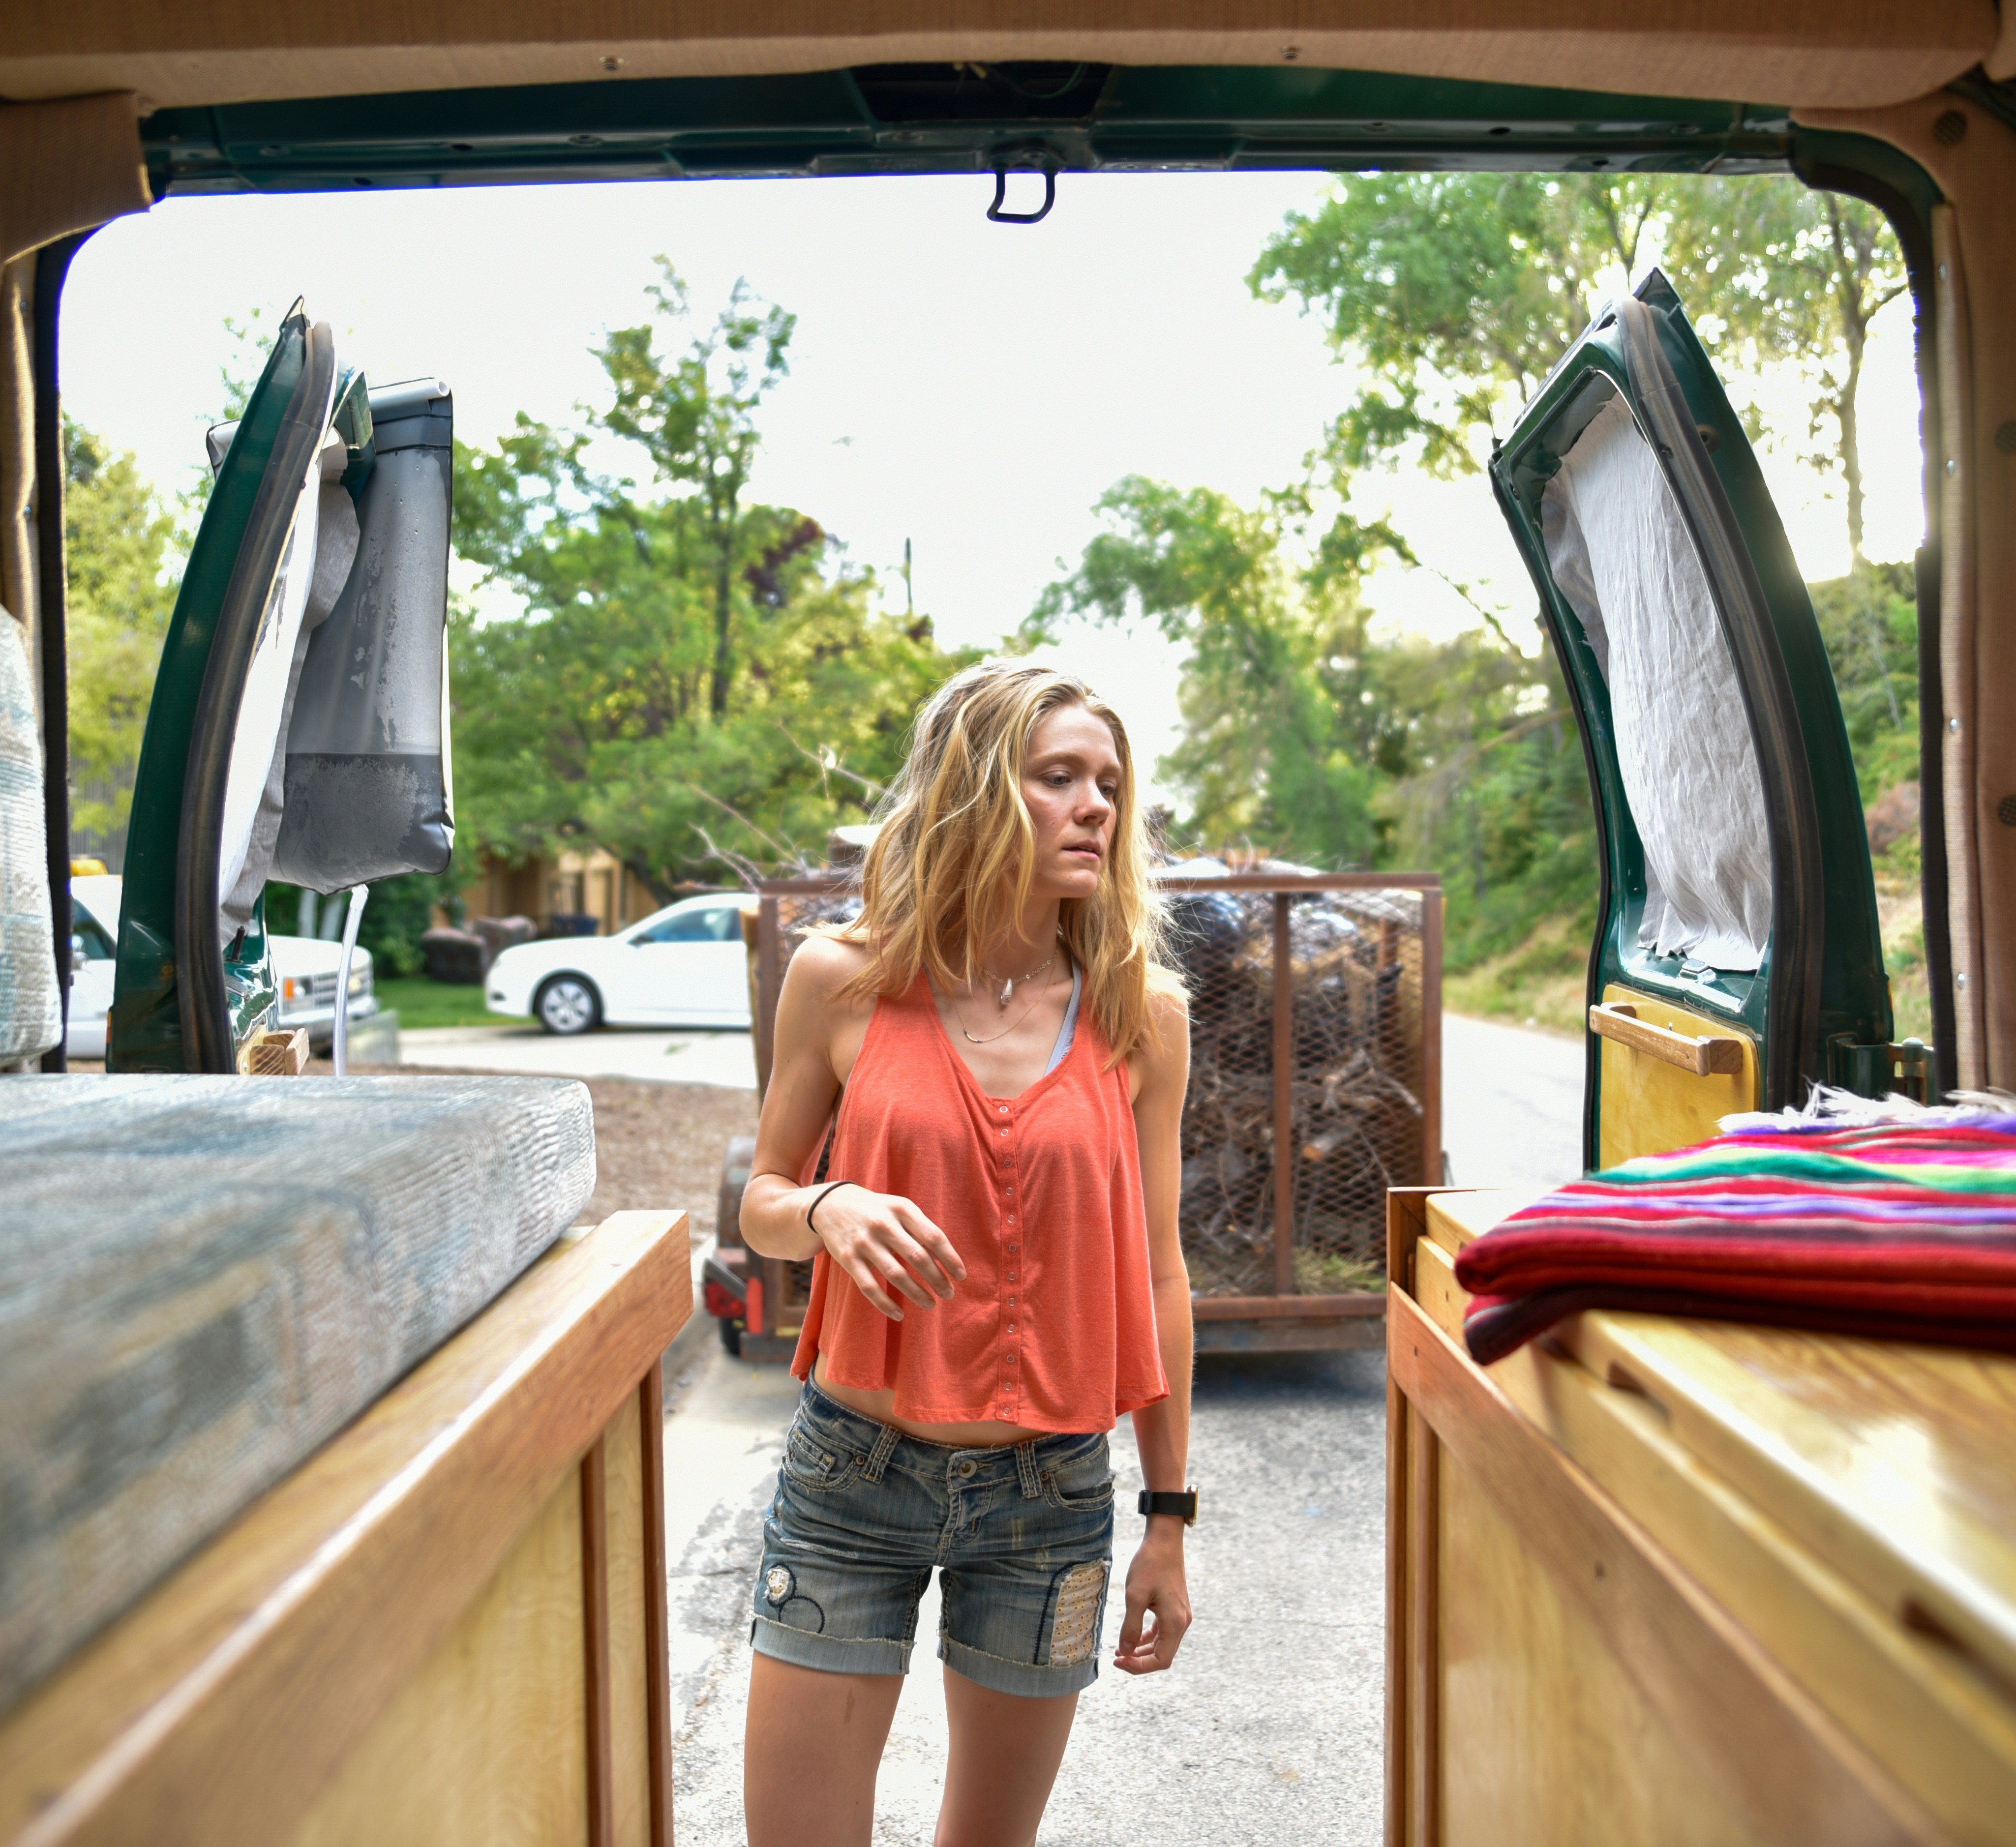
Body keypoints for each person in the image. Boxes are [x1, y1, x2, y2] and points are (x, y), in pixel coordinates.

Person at [738, 660, 1195, 1847]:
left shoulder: (1141, 1012)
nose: (1097, 805)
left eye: (1109, 782)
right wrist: (827, 1203)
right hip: (852, 1478)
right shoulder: (842, 980)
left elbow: (1159, 1272)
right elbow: (762, 1200)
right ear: (976, 789)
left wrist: (1168, 1521)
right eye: (1059, 778)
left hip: (1047, 1498)